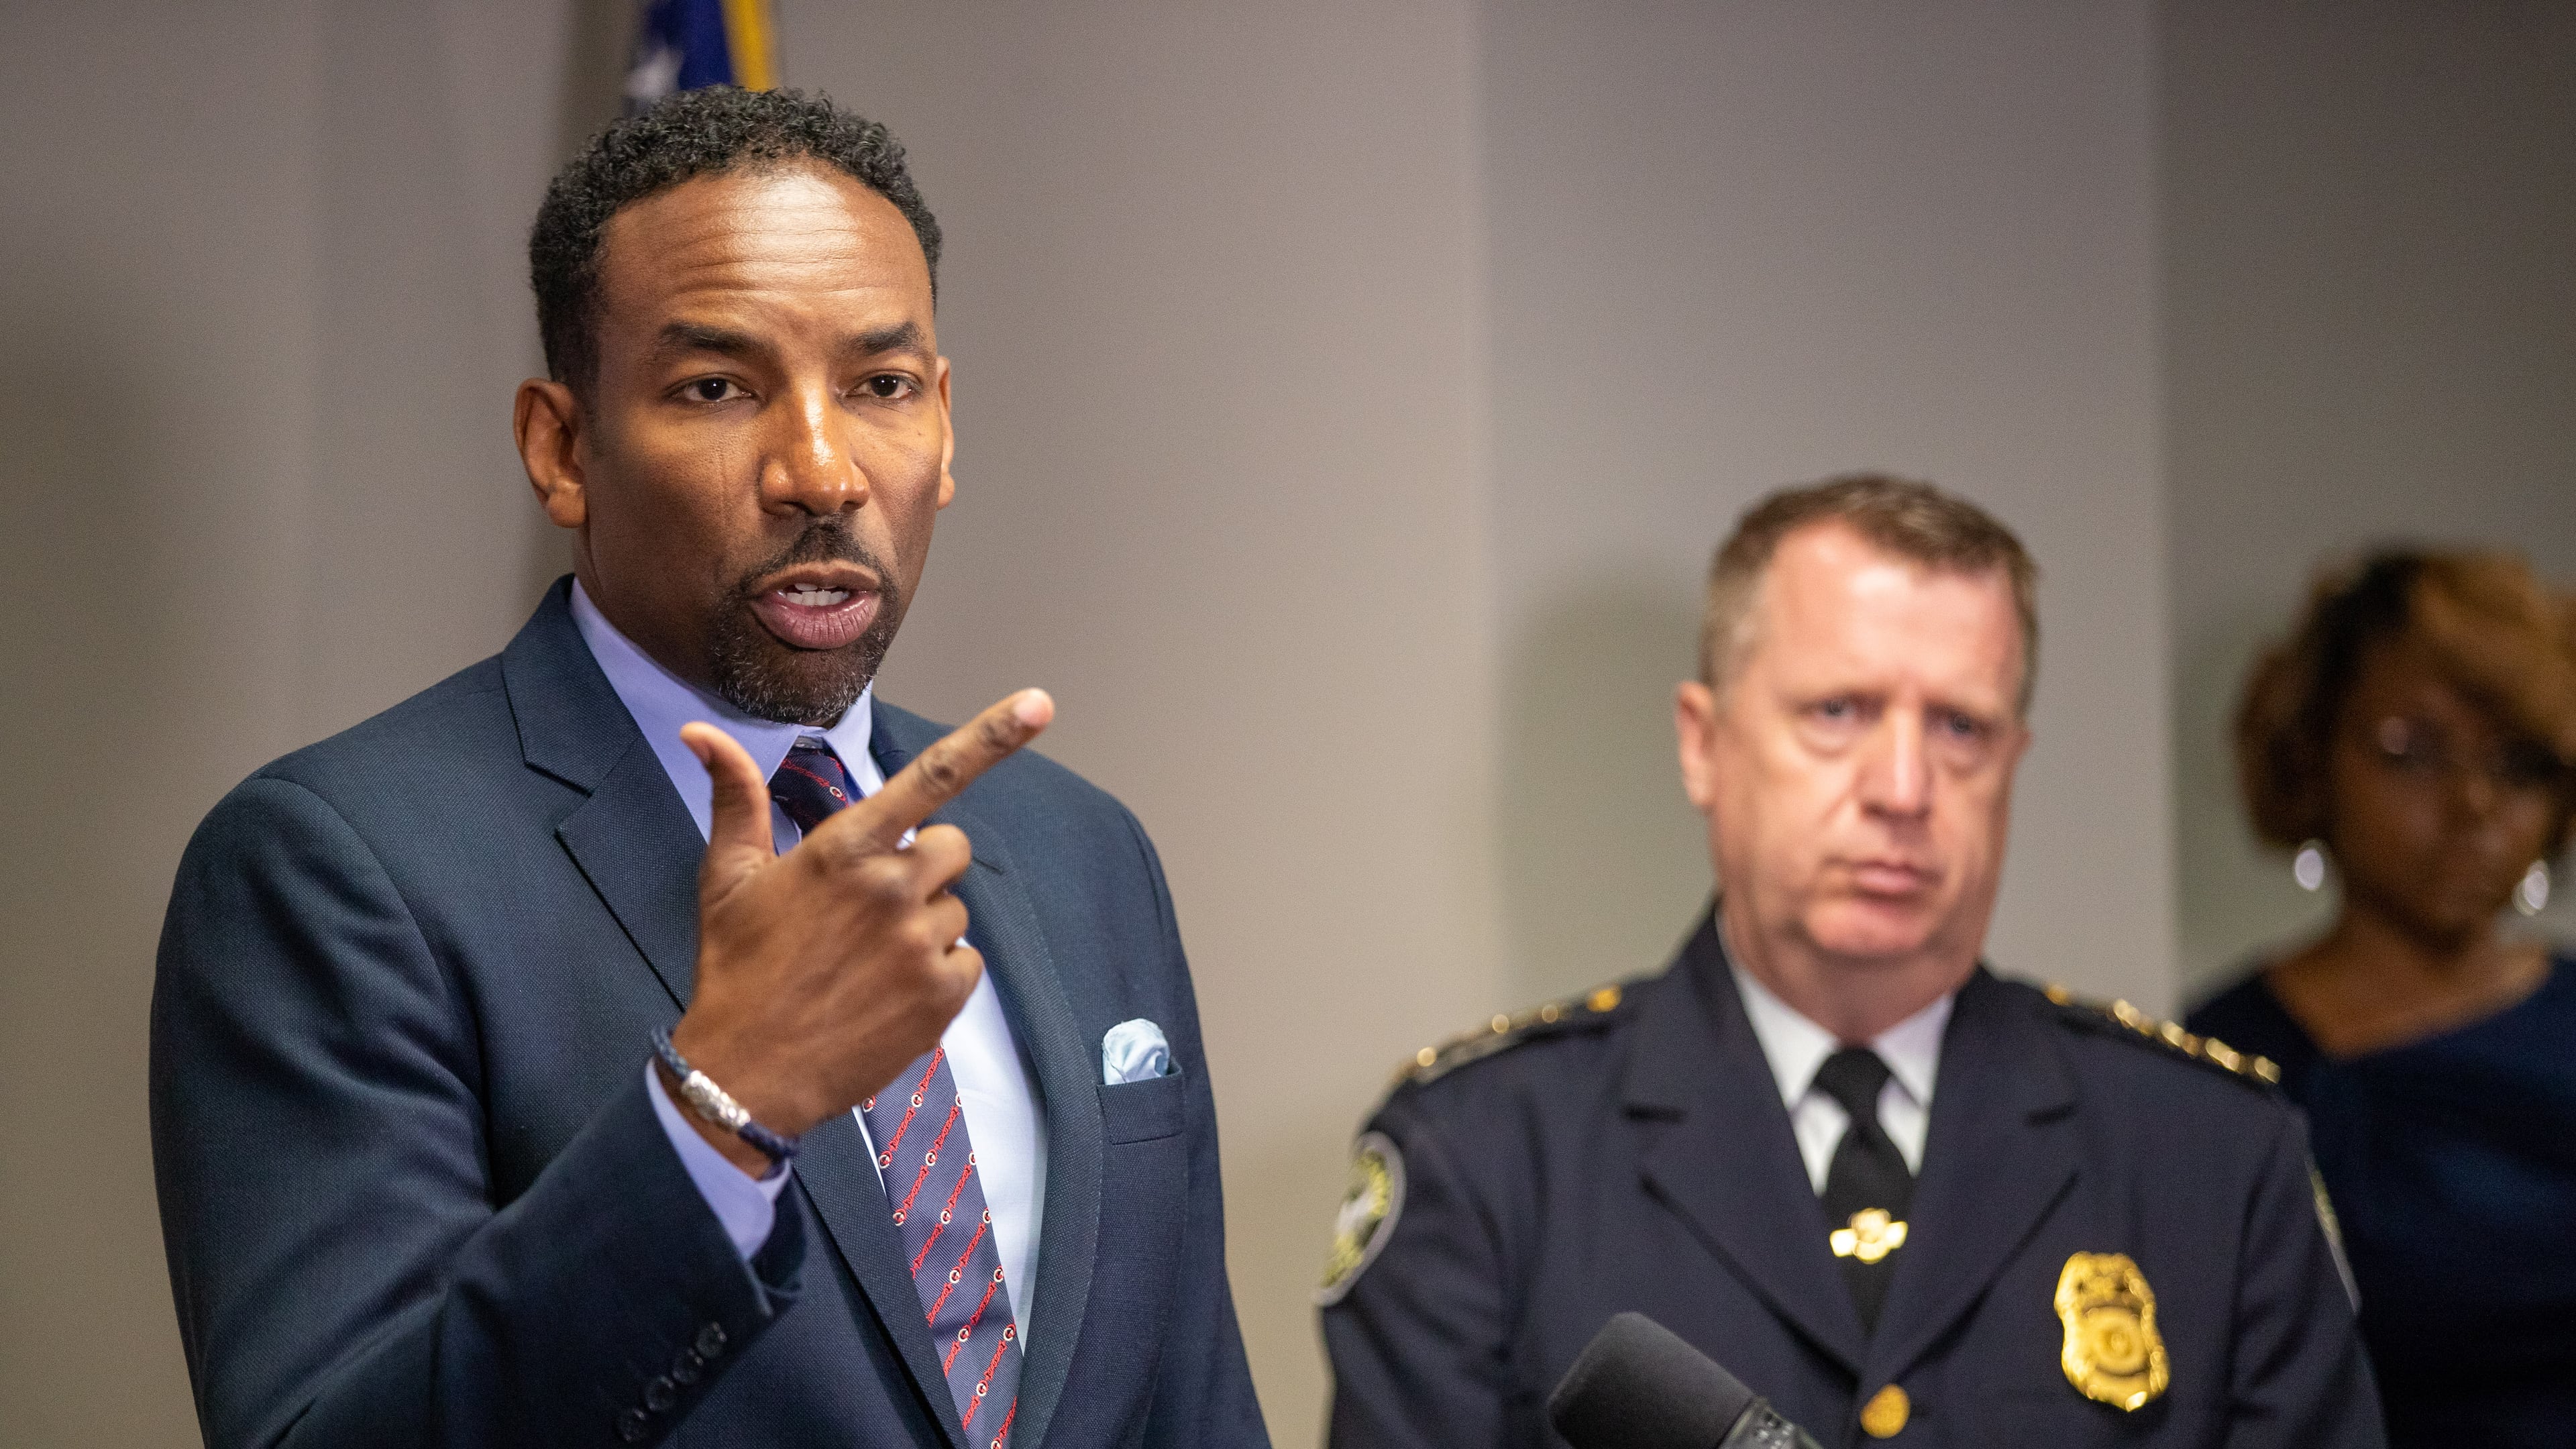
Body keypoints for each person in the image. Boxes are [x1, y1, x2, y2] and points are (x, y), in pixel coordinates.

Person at [151, 87, 1267, 1449]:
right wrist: (717, 1111)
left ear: (946, 424)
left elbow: (1195, 1406)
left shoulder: (1083, 851)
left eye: (881, 385)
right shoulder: (337, 868)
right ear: (563, 448)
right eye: (718, 387)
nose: (820, 469)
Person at [1318, 475, 2381, 1448]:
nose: (1905, 788)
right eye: (1839, 712)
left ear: (2013, 763)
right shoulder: (1487, 1159)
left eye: (1962, 727)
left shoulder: (2213, 1159)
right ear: (1704, 744)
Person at [2188, 550, 2576, 1447]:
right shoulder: (2217, 1066)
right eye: (2413, 752)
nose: (2474, 803)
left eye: (2519, 767)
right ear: (2311, 758)